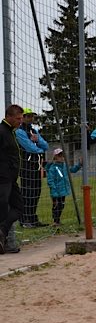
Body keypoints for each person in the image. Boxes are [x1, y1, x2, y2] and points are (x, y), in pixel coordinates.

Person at [15, 107, 49, 228]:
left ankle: (33, 218)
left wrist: (37, 141)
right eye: (27, 116)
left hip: (36, 165)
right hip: (25, 166)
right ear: (22, 117)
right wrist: (38, 146)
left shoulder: (33, 131)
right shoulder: (19, 131)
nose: (30, 118)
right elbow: (30, 148)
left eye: (31, 116)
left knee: (36, 192)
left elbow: (46, 145)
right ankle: (24, 219)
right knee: (27, 193)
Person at [0, 104, 25, 254]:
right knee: (3, 207)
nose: (20, 121)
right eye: (18, 118)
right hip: (3, 177)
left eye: (21, 118)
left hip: (11, 178)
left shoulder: (11, 132)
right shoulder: (2, 131)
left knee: (18, 207)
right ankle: (5, 242)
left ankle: (2, 232)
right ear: (8, 116)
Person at [46, 148, 82, 226]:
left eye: (62, 155)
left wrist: (79, 165)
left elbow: (72, 170)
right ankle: (55, 221)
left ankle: (58, 221)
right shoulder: (53, 168)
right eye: (59, 156)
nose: (62, 157)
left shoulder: (65, 166)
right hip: (56, 191)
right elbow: (50, 180)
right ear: (55, 157)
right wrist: (54, 190)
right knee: (56, 206)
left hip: (63, 191)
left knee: (61, 206)